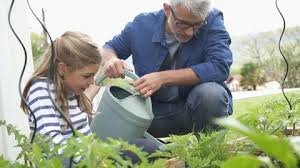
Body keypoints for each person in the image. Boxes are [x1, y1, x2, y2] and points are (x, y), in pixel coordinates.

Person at [20, 31, 159, 165]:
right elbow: (52, 146)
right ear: (62, 69)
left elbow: (85, 138)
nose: (92, 81)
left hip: (87, 159)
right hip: (70, 163)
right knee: (143, 151)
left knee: (145, 147)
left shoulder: (71, 91)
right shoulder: (41, 91)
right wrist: (97, 161)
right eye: (87, 76)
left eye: (94, 75)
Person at [102, 0, 233, 137]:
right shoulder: (141, 25)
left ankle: (212, 152)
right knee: (117, 119)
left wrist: (162, 78)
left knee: (210, 94)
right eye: (182, 23)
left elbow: (220, 66)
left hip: (196, 108)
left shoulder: (212, 19)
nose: (189, 32)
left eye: (197, 25)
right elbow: (108, 48)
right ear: (167, 9)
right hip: (154, 114)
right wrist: (111, 59)